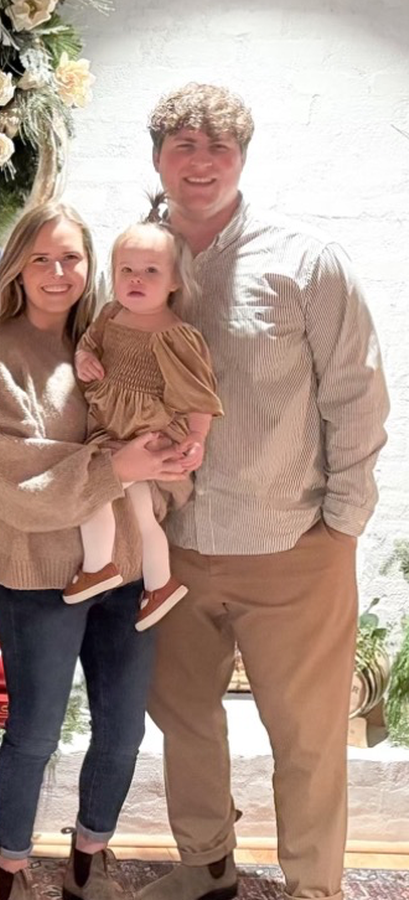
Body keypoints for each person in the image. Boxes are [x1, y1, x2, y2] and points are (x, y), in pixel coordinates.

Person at [137, 84, 390, 900]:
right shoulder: (138, 261)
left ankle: (313, 887)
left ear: (242, 158)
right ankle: (206, 866)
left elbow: (357, 395)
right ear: (158, 158)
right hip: (174, 549)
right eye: (184, 145)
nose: (201, 162)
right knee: (184, 721)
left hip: (292, 548)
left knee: (307, 737)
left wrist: (341, 527)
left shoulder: (306, 262)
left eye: (219, 147)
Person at [0, 202, 190, 900]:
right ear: (17, 267)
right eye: (42, 258)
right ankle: (12, 867)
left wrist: (167, 464)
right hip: (39, 573)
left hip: (127, 569)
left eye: (72, 258)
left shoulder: (117, 337)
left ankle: (89, 855)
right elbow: (4, 471)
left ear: (90, 266)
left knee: (123, 729)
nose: (58, 272)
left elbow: (160, 427)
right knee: (36, 730)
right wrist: (116, 468)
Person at [66, 210, 222, 630]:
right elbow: (88, 343)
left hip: (149, 434)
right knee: (137, 511)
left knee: (94, 492)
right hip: (111, 430)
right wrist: (84, 358)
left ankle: (97, 566)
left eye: (151, 271)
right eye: (126, 270)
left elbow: (199, 394)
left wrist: (196, 436)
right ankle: (160, 584)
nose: (136, 279)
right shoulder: (110, 315)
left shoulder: (176, 335)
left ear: (174, 281)